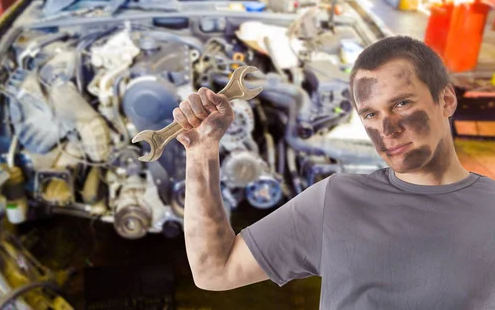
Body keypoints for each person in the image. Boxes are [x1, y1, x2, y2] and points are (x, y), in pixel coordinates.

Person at [172, 36, 495, 309]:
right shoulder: (337, 201)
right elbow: (215, 270)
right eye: (370, 113)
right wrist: (202, 152)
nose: (387, 129)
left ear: (446, 100)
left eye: (401, 104)